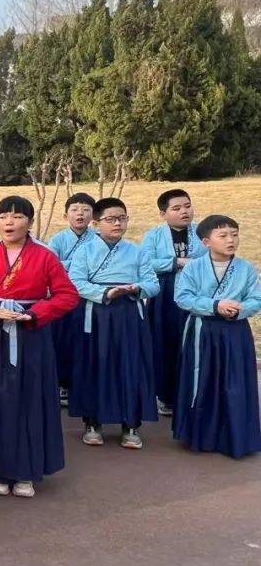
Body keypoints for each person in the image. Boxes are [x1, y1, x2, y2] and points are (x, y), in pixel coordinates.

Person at [0, 196, 79, 498]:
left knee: (29, 399)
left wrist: (35, 314)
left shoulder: (45, 257)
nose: (9, 222)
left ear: (30, 222)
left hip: (31, 337)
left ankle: (26, 470)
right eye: (4, 217)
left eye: (18, 216)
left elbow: (68, 295)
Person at [68, 198, 160, 449]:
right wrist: (105, 293)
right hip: (95, 313)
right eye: (110, 219)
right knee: (94, 364)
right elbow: (75, 282)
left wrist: (136, 288)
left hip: (129, 312)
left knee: (130, 365)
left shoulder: (137, 252)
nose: (117, 223)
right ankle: (92, 422)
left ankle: (131, 424)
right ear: (96, 223)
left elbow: (153, 284)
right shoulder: (84, 251)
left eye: (122, 218)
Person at [174, 215, 261, 458]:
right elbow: (183, 298)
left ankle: (235, 436)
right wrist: (215, 305)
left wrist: (240, 309)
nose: (230, 240)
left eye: (234, 234)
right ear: (206, 242)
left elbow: (256, 298)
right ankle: (202, 435)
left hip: (235, 331)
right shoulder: (194, 267)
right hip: (203, 330)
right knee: (203, 380)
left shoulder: (245, 268)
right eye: (223, 236)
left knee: (235, 382)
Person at [142, 189, 206, 417]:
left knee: (193, 343)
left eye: (187, 206)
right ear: (163, 214)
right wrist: (177, 261)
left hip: (197, 294)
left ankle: (193, 394)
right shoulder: (154, 236)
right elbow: (146, 262)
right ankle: (166, 396)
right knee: (164, 343)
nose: (184, 212)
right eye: (176, 208)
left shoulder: (203, 232)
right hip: (165, 296)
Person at [47, 193, 98, 401]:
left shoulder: (98, 237)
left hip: (90, 295)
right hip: (64, 295)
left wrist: (71, 265)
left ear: (93, 215)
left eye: (86, 210)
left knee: (87, 341)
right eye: (75, 210)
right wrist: (80, 264)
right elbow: (52, 265)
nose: (80, 214)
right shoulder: (58, 239)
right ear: (65, 215)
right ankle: (63, 383)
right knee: (64, 339)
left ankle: (84, 382)